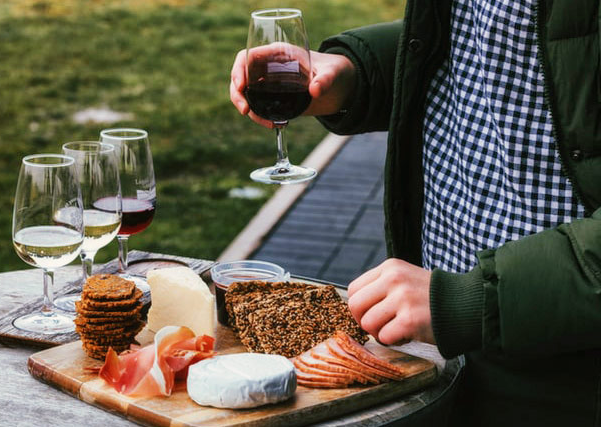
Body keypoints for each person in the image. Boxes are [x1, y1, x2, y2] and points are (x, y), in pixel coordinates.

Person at [231, 1, 601, 426]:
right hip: (438, 343)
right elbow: (486, 50)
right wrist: (356, 73)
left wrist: (472, 299)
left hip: (568, 373)